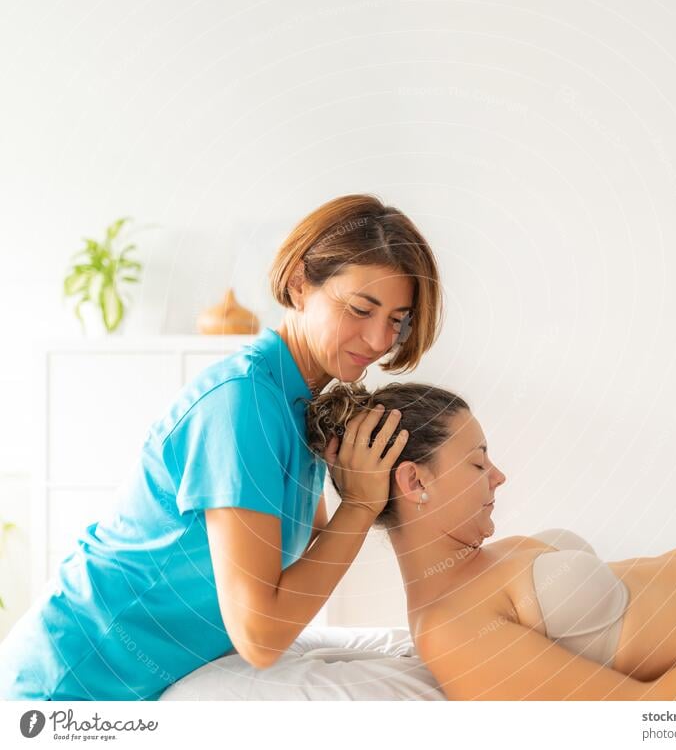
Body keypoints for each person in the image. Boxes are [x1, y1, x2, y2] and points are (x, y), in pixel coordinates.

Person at [0, 194, 443, 700]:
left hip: (142, 685)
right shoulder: (243, 402)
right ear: (300, 284)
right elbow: (260, 636)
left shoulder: (297, 401)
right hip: (69, 686)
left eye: (396, 319)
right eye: (360, 309)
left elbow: (307, 554)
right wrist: (360, 506)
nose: (377, 338)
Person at [305, 381, 676, 700]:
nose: (498, 476)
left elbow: (632, 601)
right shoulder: (450, 630)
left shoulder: (479, 564)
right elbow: (647, 723)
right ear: (415, 483)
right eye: (478, 462)